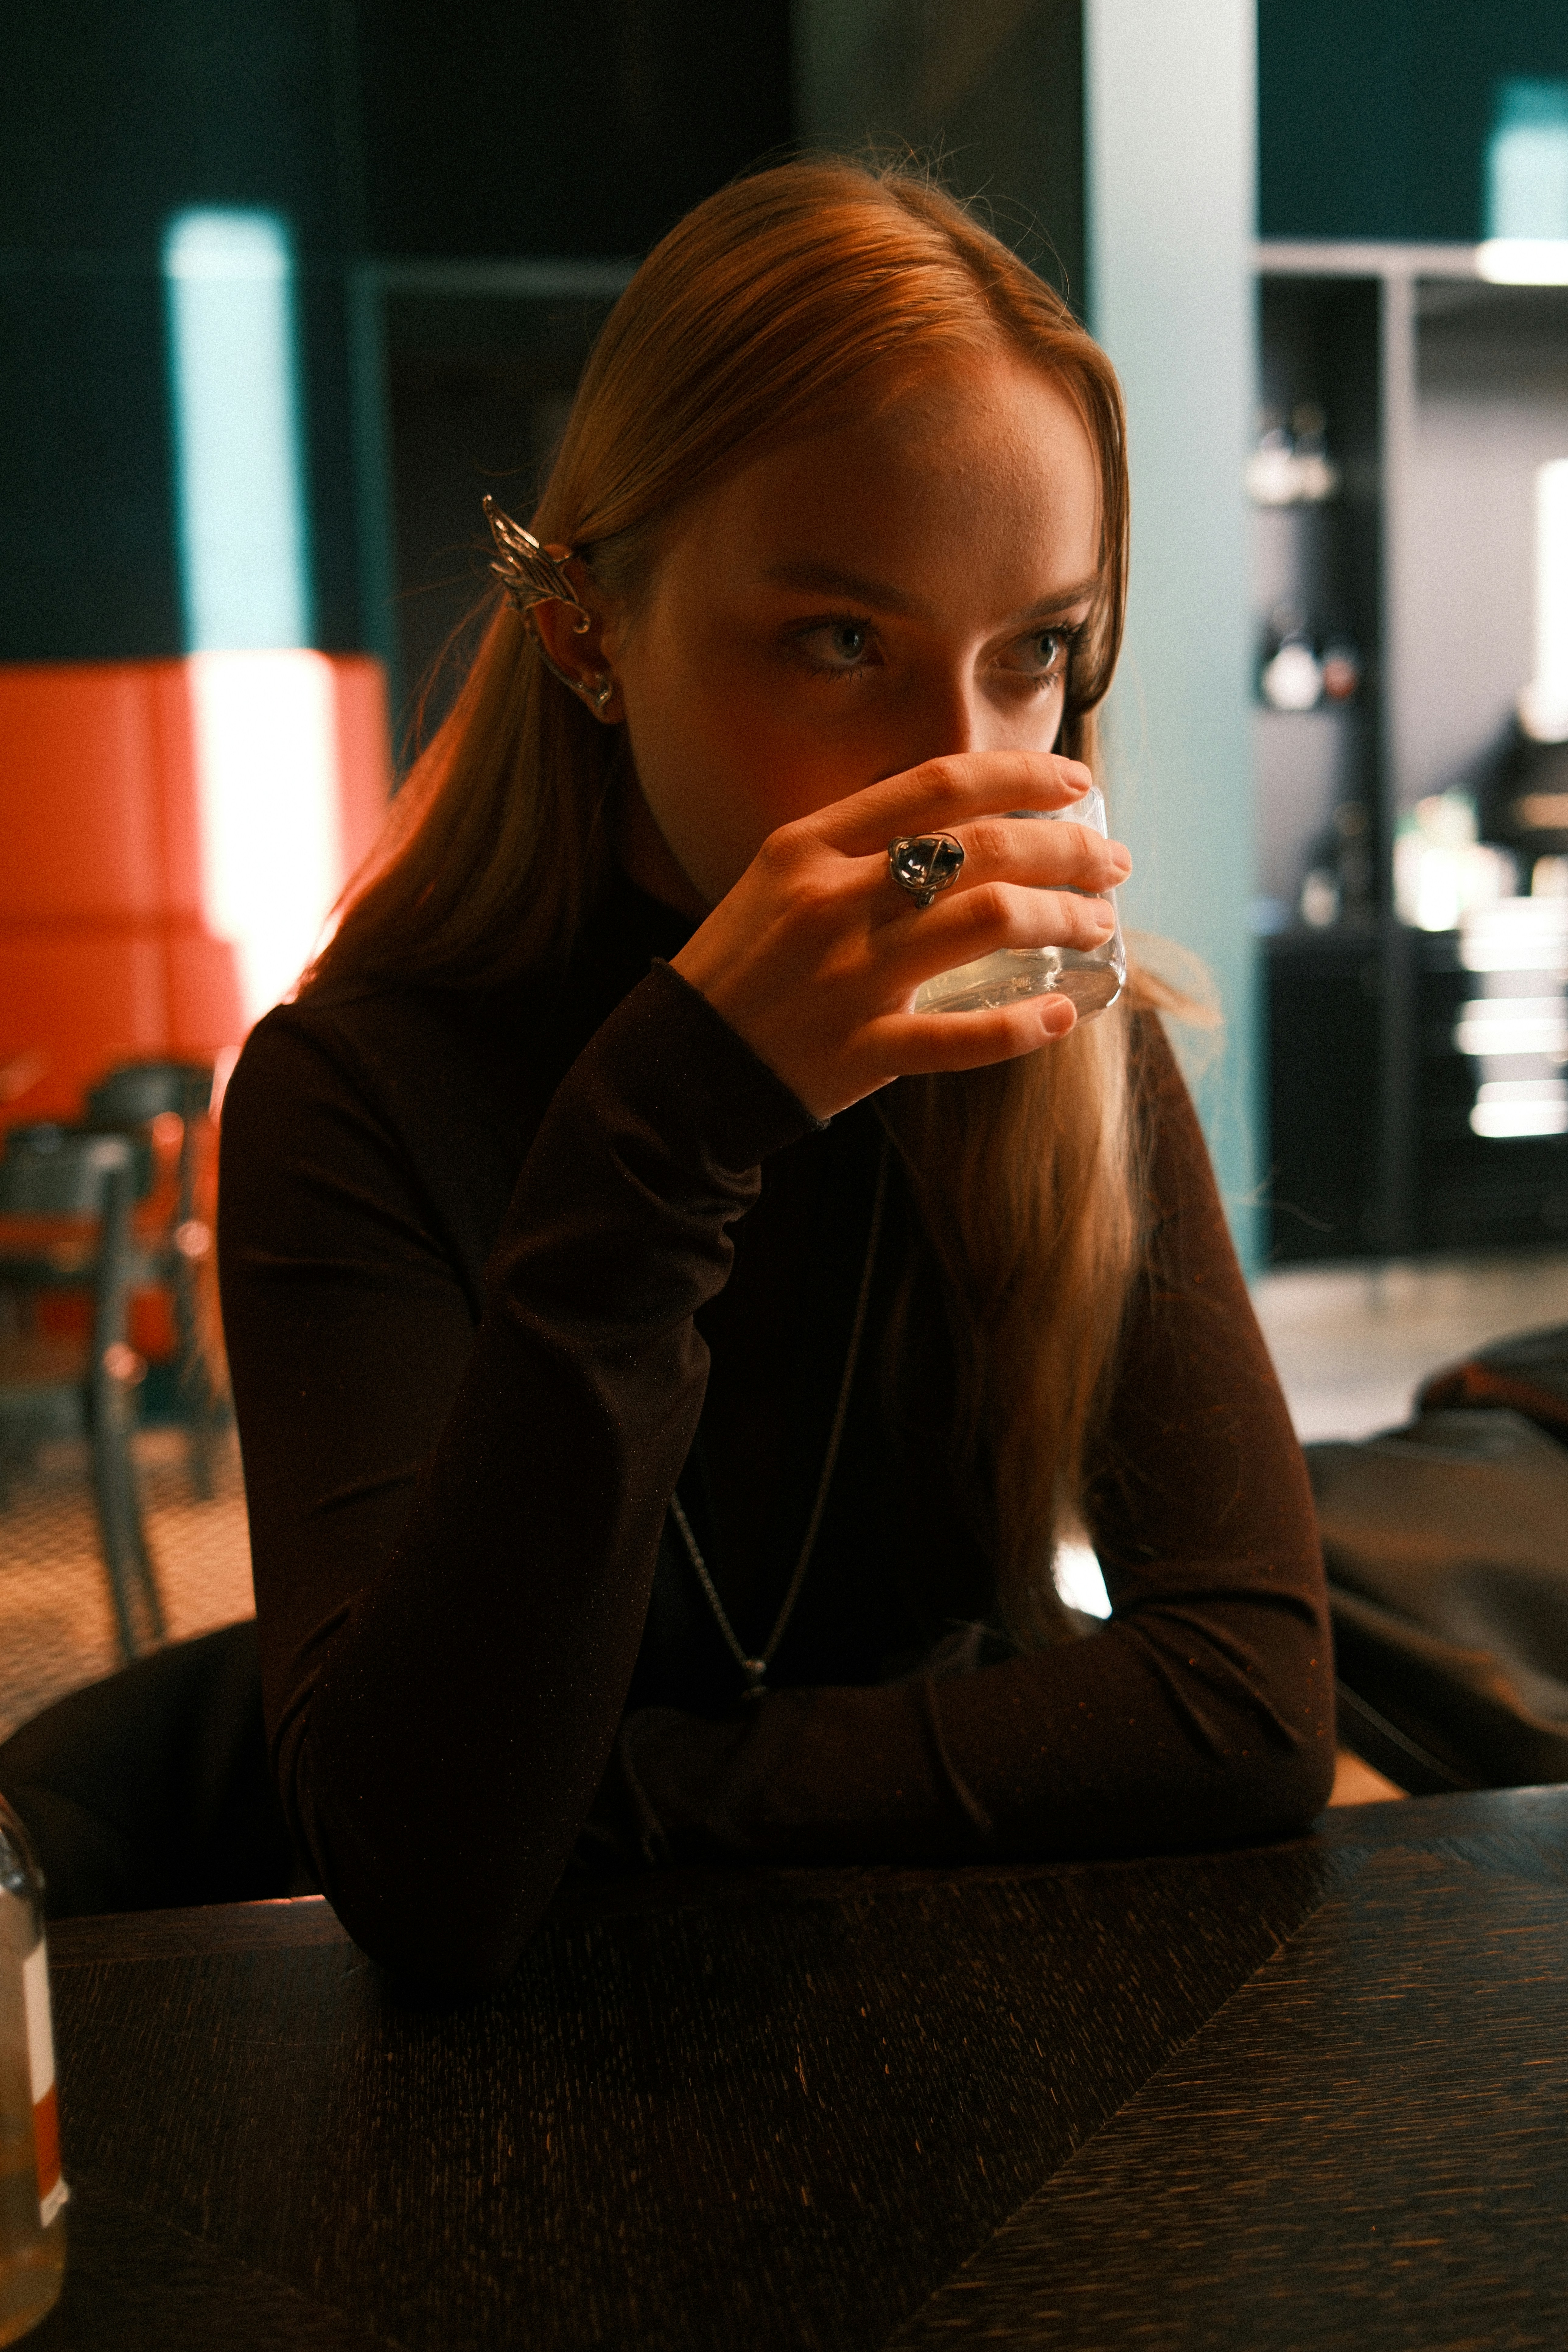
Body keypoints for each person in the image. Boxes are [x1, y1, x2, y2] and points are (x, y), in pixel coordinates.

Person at [218, 159, 1333, 1991]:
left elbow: (1251, 1699)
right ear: (588, 630)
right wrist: (674, 1122)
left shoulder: (1051, 1029)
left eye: (1033, 651)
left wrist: (638, 1794)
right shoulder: (351, 1097)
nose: (957, 773)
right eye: (842, 643)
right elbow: (430, 1880)